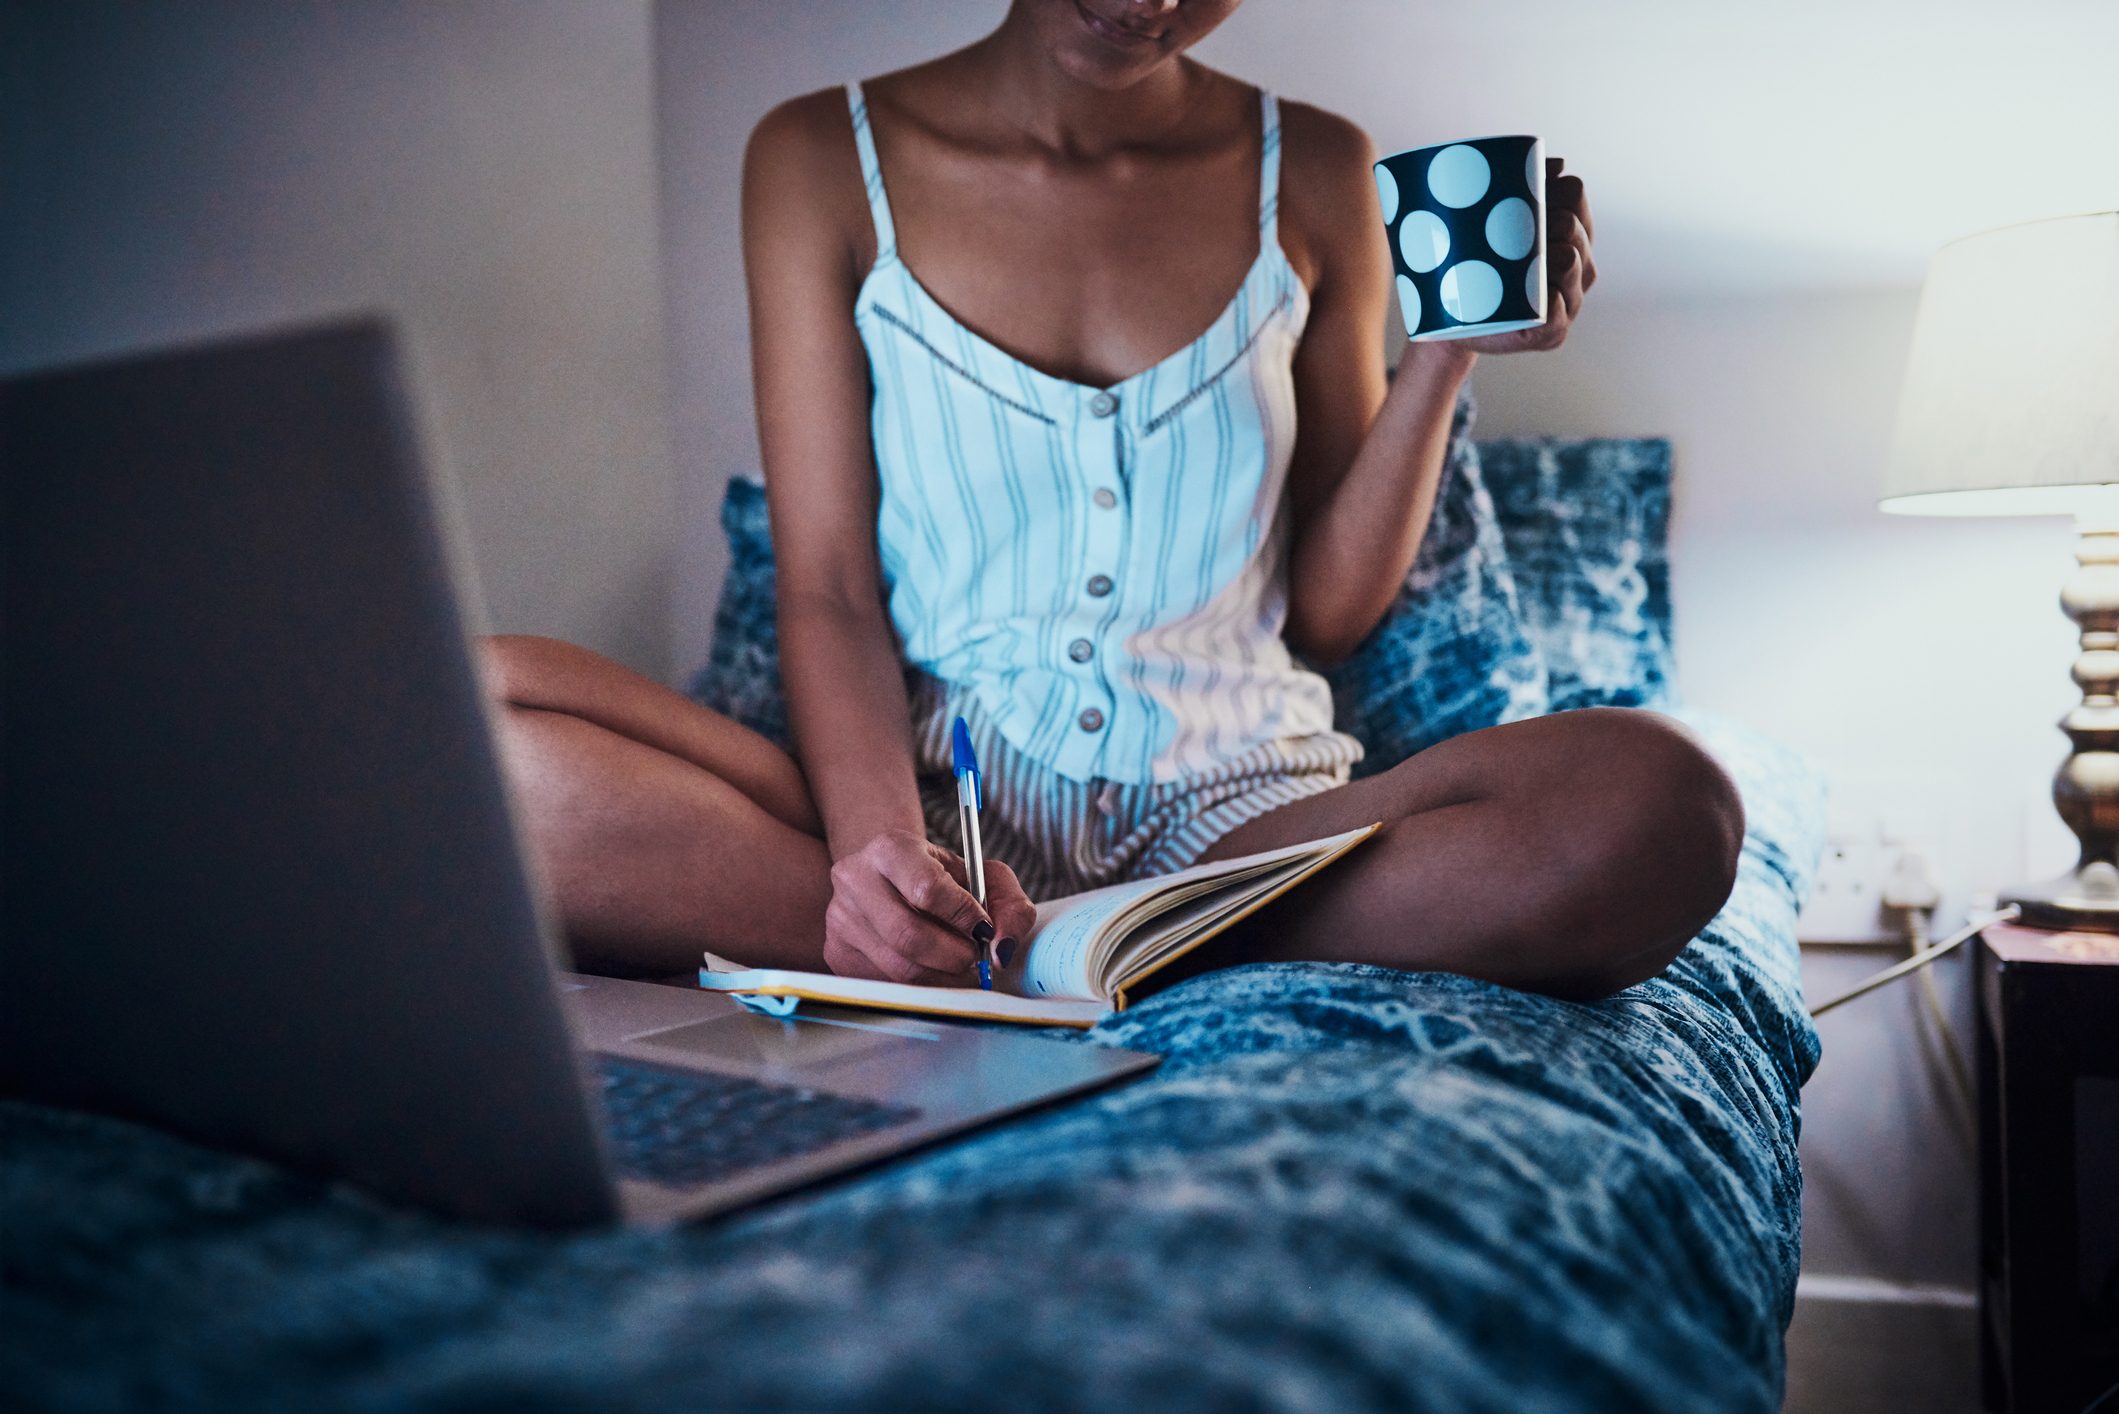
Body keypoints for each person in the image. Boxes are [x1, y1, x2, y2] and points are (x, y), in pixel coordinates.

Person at [484, 0, 1744, 1000]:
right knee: (483, 718)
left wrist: (1451, 351)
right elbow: (823, 585)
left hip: (1245, 822)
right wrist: (887, 859)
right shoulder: (817, 156)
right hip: (938, 792)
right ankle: (995, 944)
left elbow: (1333, 612)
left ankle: (1061, 954)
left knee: (1667, 803)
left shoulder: (1313, 167)